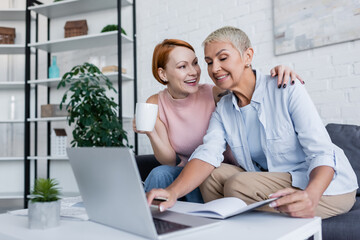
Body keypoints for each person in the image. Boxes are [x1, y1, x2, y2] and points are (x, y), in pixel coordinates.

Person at [146, 26, 358, 219]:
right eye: (209, 62)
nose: (215, 68)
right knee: (212, 175)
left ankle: (246, 219)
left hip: (325, 186)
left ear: (247, 56)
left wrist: (311, 195)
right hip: (267, 180)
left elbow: (321, 152)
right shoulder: (224, 109)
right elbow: (207, 153)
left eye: (223, 58)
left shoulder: (286, 88)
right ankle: (224, 228)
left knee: (238, 186)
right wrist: (172, 192)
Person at [134, 38, 304, 203]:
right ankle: (147, 220)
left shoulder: (215, 93)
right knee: (159, 174)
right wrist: (151, 133)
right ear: (163, 74)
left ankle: (196, 223)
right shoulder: (154, 103)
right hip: (187, 169)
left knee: (206, 175)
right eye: (182, 66)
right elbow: (170, 161)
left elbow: (246, 87)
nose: (193, 72)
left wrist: (279, 73)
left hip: (221, 168)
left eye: (195, 63)